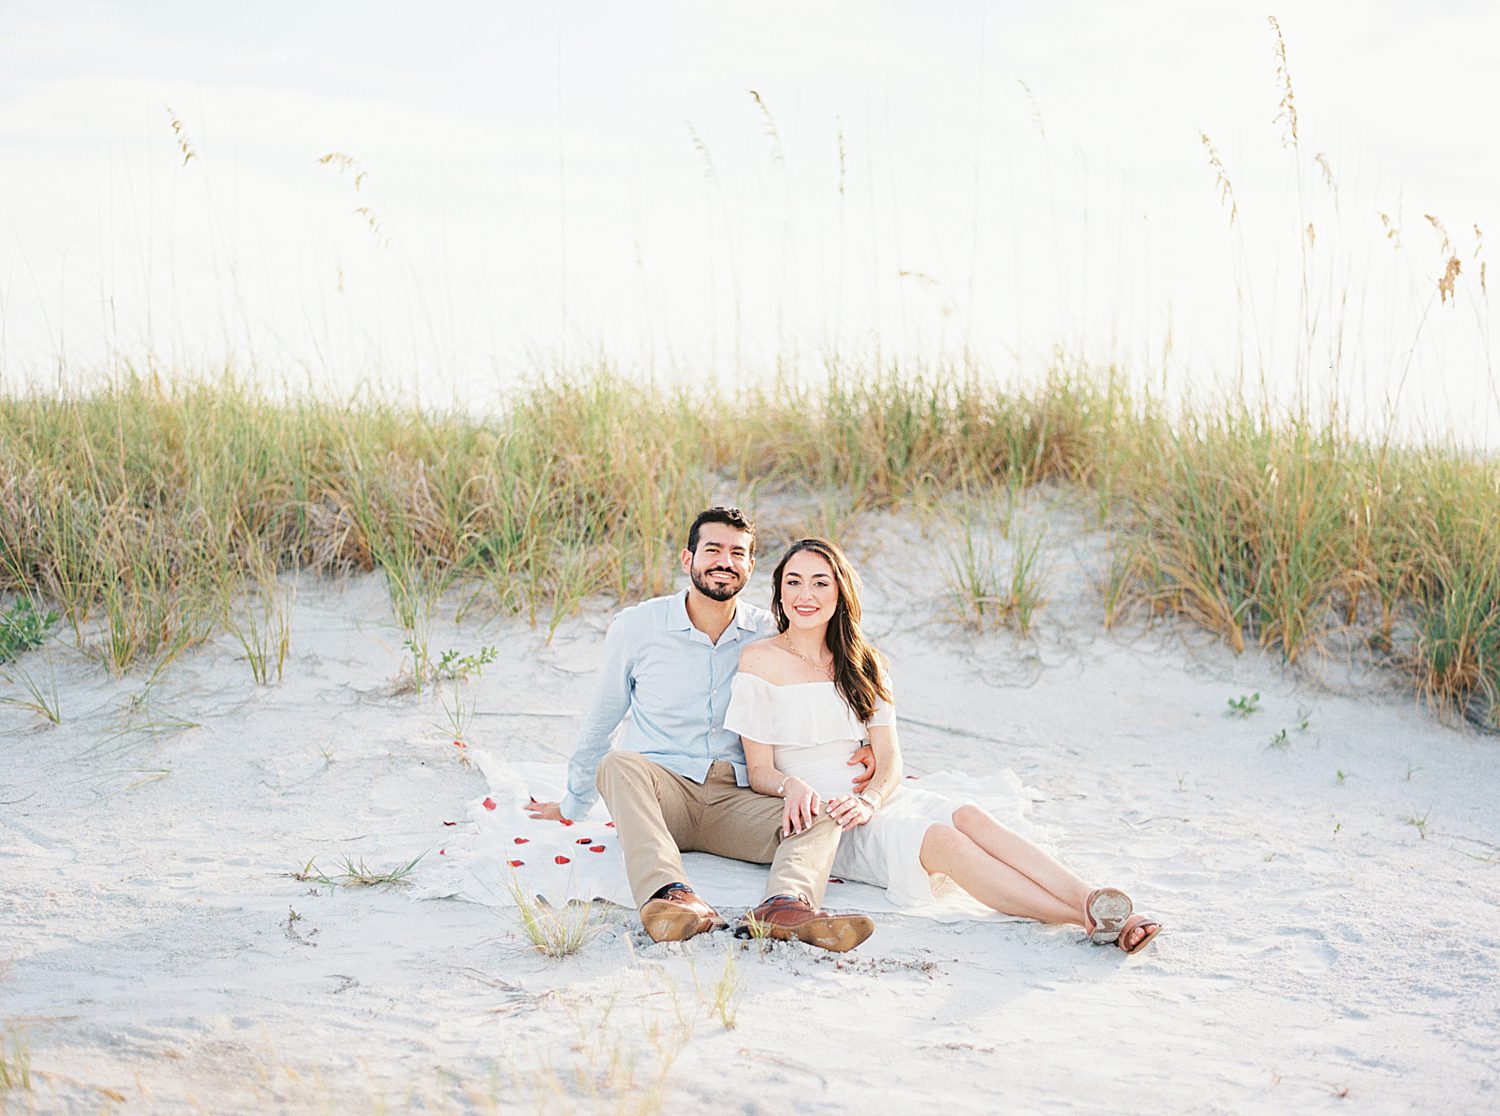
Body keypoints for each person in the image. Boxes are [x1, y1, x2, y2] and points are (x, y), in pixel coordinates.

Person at [724, 537, 1162, 954]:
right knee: (942, 841)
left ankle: (1090, 897)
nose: (806, 594)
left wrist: (874, 799)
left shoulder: (863, 661)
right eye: (793, 582)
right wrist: (795, 786)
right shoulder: (760, 660)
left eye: (821, 582)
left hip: (875, 798)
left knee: (970, 815)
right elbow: (760, 770)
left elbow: (891, 758)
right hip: (829, 816)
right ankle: (1090, 920)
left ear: (840, 592)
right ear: (778, 593)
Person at [525, 507, 874, 952]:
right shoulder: (638, 627)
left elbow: (830, 679)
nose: (724, 561)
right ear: (687, 559)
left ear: (750, 566)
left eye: (737, 553)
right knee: (618, 764)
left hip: (738, 796)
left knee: (821, 813)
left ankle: (784, 906)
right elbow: (601, 721)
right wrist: (573, 804)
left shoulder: (771, 635)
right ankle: (673, 897)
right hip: (661, 793)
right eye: (712, 550)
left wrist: (865, 744)